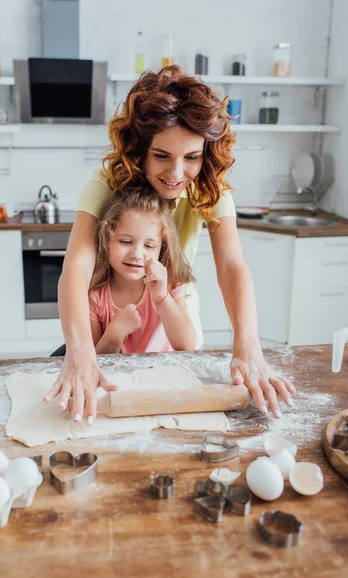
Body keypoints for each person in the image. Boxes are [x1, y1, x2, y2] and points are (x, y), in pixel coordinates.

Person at [44, 65, 295, 424]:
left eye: (191, 157)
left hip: (171, 294)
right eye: (162, 156)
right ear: (139, 150)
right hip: (109, 300)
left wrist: (248, 343)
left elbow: (231, 266)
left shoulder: (209, 186)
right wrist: (80, 351)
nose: (176, 174)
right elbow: (77, 266)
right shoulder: (107, 182)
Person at [89, 187, 197, 355]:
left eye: (149, 246)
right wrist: (115, 332)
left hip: (163, 376)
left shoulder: (170, 284)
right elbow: (94, 361)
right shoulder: (96, 296)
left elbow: (187, 346)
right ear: (105, 239)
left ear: (161, 249)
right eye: (125, 241)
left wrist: (162, 297)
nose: (137, 255)